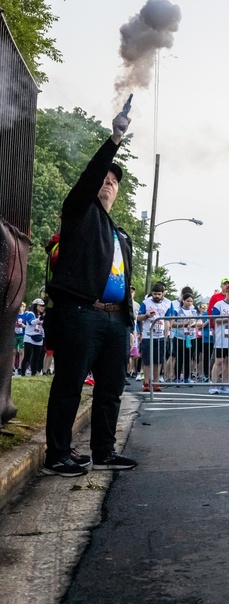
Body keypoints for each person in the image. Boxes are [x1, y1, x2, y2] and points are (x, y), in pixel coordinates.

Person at [41, 108, 137, 476]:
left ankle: (104, 451)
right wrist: (114, 141)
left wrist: (128, 318)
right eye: (105, 177)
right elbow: (89, 178)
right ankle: (58, 454)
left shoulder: (120, 233)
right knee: (69, 384)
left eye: (115, 180)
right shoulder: (79, 212)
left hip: (115, 320)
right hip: (82, 313)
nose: (109, 182)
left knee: (111, 389)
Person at [137, 283, 173, 392]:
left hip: (160, 335)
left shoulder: (168, 303)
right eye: (154, 294)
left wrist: (166, 334)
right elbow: (139, 317)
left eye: (159, 294)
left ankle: (156, 382)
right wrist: (146, 316)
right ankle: (146, 382)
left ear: (163, 294)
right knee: (147, 361)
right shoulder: (146, 302)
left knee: (158, 360)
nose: (156, 296)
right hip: (148, 335)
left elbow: (169, 319)